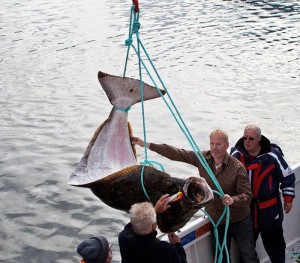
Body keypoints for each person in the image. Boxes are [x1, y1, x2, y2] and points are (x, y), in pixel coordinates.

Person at [131, 129, 259, 263]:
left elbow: (247, 196)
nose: (214, 148)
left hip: (239, 219)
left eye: (218, 144)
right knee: (221, 257)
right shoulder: (203, 159)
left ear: (227, 145)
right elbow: (178, 153)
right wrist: (146, 144)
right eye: (212, 143)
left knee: (248, 254)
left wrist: (232, 199)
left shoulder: (237, 167)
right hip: (216, 219)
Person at [231, 124, 296, 263]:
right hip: (245, 213)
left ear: (259, 139)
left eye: (251, 138)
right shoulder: (235, 156)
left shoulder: (273, 156)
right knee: (246, 252)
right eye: (245, 138)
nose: (247, 141)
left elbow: (288, 178)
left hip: (270, 213)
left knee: (276, 248)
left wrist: (288, 199)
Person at [118, 194, 187, 263]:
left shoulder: (123, 238)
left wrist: (155, 210)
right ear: (154, 226)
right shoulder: (164, 249)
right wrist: (177, 245)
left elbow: (132, 225)